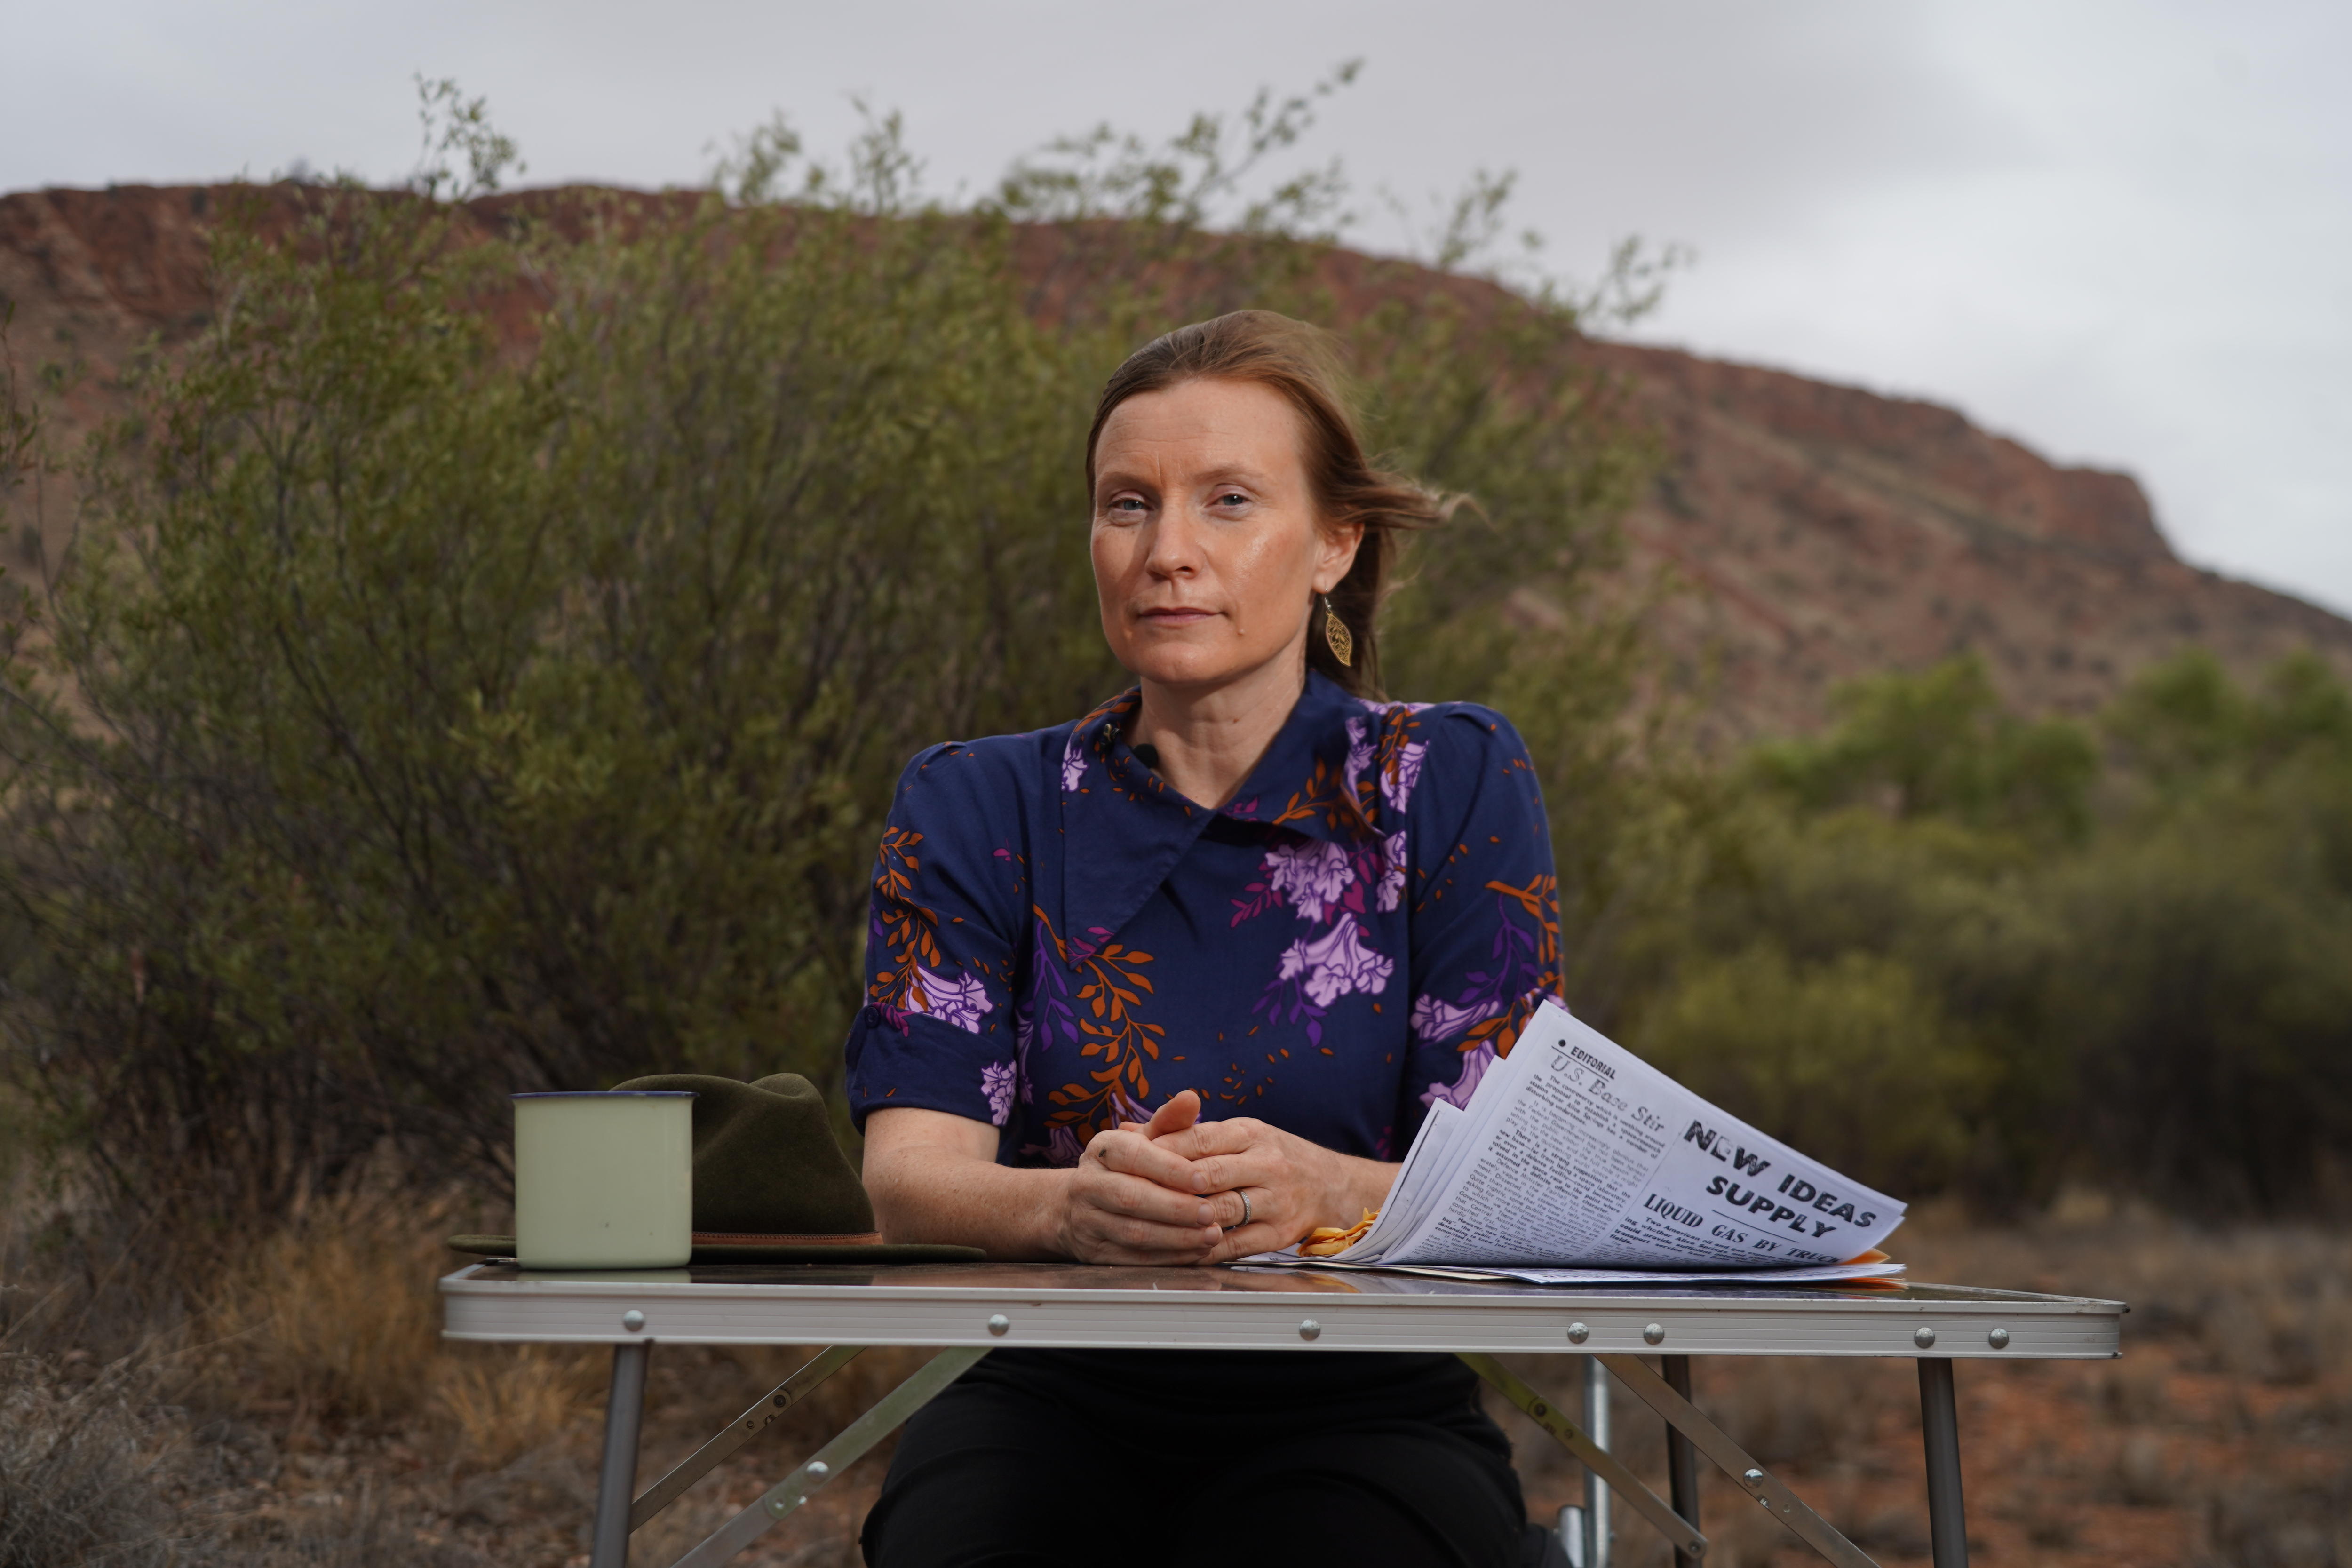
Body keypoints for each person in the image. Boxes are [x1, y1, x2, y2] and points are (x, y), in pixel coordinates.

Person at [847, 310, 1564, 1568]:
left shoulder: (1446, 780)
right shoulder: (976, 804)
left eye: (1229, 501)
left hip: (1365, 1402)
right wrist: (1076, 1210)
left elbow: (1515, 1180)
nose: (1167, 551)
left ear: (1335, 542)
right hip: (1048, 1390)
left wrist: (1326, 1192)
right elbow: (909, 1180)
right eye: (1128, 505)